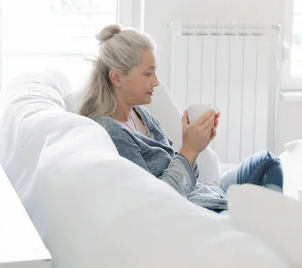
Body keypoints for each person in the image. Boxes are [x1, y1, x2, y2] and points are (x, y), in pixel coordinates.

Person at [79, 24, 283, 213]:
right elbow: (156, 203)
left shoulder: (139, 113)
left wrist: (195, 144)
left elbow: (185, 174)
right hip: (198, 210)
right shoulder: (113, 134)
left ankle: (269, 231)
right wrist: (190, 149)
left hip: (203, 192)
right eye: (148, 74)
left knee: (267, 161)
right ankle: (269, 236)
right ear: (116, 78)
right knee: (260, 220)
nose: (156, 82)